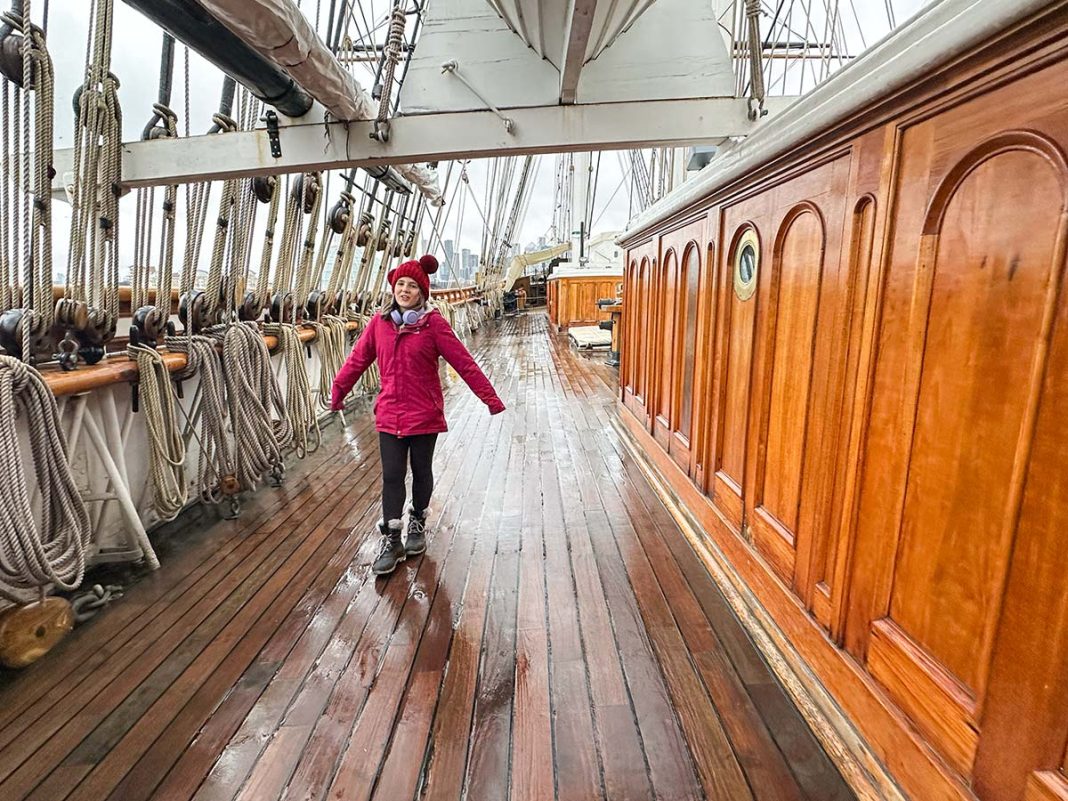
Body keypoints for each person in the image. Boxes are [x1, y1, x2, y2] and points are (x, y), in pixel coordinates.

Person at [330, 254, 505, 576]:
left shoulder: (434, 325)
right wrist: (338, 391)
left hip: (423, 413)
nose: (405, 290)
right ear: (393, 288)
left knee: (421, 471)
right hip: (389, 414)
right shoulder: (378, 325)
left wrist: (489, 398)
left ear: (423, 292)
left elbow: (463, 363)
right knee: (392, 476)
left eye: (412, 285)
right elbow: (357, 360)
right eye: (401, 284)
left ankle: (417, 522)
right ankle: (392, 538)